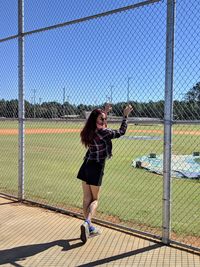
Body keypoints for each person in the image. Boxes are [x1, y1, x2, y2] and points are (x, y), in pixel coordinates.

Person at [77, 104, 133, 243]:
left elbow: (99, 123)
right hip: (97, 167)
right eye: (102, 119)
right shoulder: (104, 132)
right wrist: (125, 115)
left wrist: (105, 112)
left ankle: (89, 227)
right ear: (97, 121)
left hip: (86, 165)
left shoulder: (88, 131)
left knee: (86, 199)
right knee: (95, 200)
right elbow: (121, 132)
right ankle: (87, 223)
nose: (104, 121)